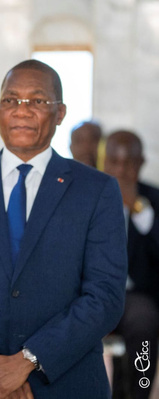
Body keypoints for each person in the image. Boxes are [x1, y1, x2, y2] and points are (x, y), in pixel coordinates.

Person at [0, 60, 128, 398]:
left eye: (37, 101)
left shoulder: (96, 189)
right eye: (11, 100)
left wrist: (27, 361)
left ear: (60, 113)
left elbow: (105, 296)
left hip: (66, 380)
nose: (21, 111)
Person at [104, 130, 159, 399]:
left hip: (136, 296)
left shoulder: (154, 199)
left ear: (140, 164)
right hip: (93, 293)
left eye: (128, 163)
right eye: (114, 162)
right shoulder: (88, 197)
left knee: (144, 320)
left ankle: (141, 393)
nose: (121, 170)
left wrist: (140, 212)